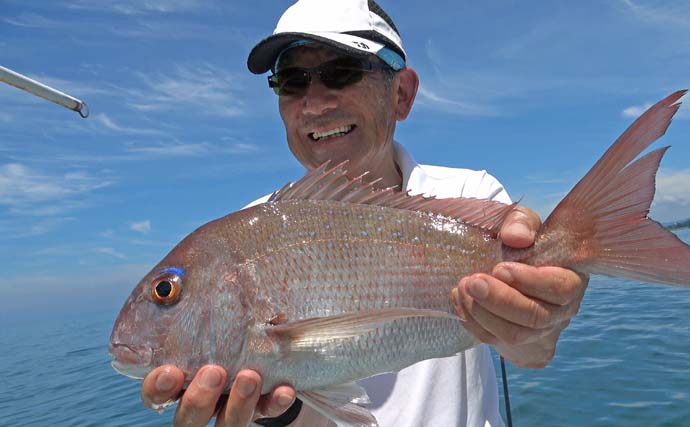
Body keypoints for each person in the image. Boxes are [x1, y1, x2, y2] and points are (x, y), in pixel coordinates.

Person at [141, 1, 588, 426]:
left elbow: (533, 352)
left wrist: (543, 318)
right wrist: (279, 414)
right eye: (292, 82)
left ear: (402, 94)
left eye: (341, 72)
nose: (314, 104)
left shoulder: (470, 193)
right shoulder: (252, 226)